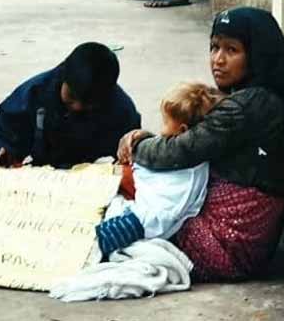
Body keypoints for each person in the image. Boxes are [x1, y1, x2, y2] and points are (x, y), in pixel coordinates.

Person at [117, 7, 284, 282]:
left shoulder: (247, 106)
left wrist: (138, 145)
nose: (218, 60)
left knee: (124, 213)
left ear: (257, 55)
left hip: (227, 245)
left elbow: (178, 152)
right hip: (235, 238)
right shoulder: (259, 95)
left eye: (232, 50)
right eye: (214, 47)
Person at [95, 82, 222, 258]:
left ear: (182, 131)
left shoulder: (188, 177)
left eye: (165, 123)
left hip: (135, 217)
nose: (161, 131)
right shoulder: (181, 154)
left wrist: (109, 232)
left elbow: (159, 216)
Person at [0, 43, 141, 168]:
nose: (77, 107)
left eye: (88, 103)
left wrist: (131, 152)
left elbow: (133, 154)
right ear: (62, 75)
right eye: (71, 97)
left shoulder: (121, 109)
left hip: (86, 174)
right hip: (42, 169)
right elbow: (4, 131)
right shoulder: (34, 93)